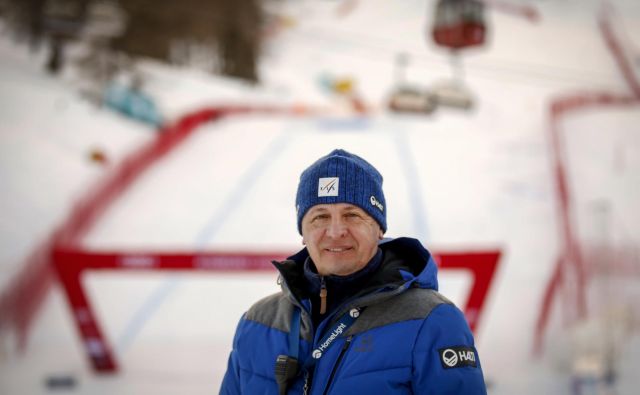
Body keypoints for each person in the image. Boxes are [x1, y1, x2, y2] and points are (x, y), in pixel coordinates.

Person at [220, 149, 487, 394]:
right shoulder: (257, 323)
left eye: (352, 215)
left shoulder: (432, 321)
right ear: (303, 232)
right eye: (320, 217)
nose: (336, 232)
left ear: (379, 228)